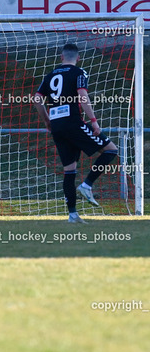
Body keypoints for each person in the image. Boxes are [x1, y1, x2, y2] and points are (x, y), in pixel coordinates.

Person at [34, 43, 118, 223]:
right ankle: (87, 185)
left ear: (61, 57)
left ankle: (72, 215)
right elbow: (82, 95)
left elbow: (37, 99)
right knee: (111, 150)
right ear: (78, 58)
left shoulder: (49, 75)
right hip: (73, 123)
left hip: (57, 126)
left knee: (69, 170)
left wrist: (47, 120)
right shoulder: (79, 73)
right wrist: (94, 120)